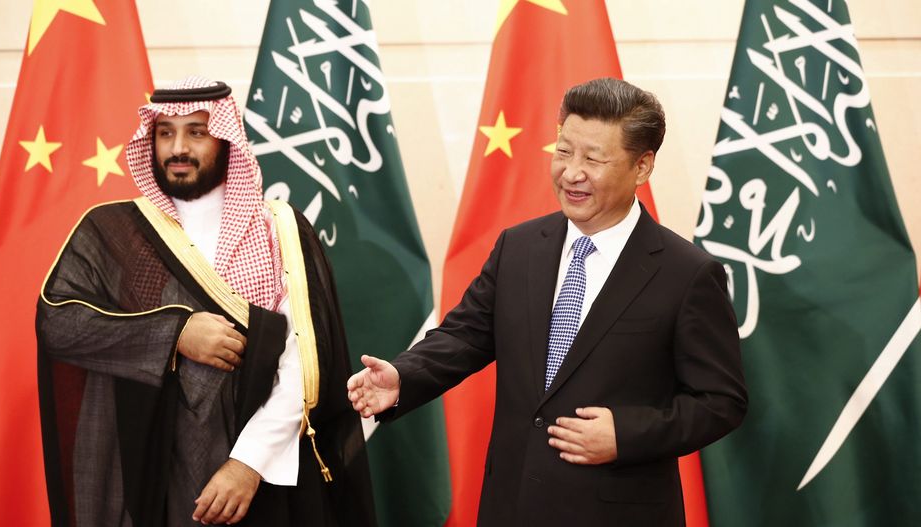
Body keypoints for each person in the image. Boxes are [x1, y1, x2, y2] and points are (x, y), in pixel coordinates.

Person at [347, 77, 747, 526]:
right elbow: (466, 334)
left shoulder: (686, 273)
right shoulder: (520, 247)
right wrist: (404, 375)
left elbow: (721, 401)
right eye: (563, 151)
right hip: (512, 504)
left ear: (642, 166)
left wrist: (626, 435)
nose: (572, 172)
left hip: (616, 512)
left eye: (593, 159)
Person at [37, 77, 375, 527]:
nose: (178, 147)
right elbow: (59, 324)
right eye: (165, 133)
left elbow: (305, 360)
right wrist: (175, 333)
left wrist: (247, 464)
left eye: (196, 132)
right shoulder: (113, 231)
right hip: (151, 471)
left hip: (264, 472)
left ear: (225, 138)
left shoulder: (280, 230)